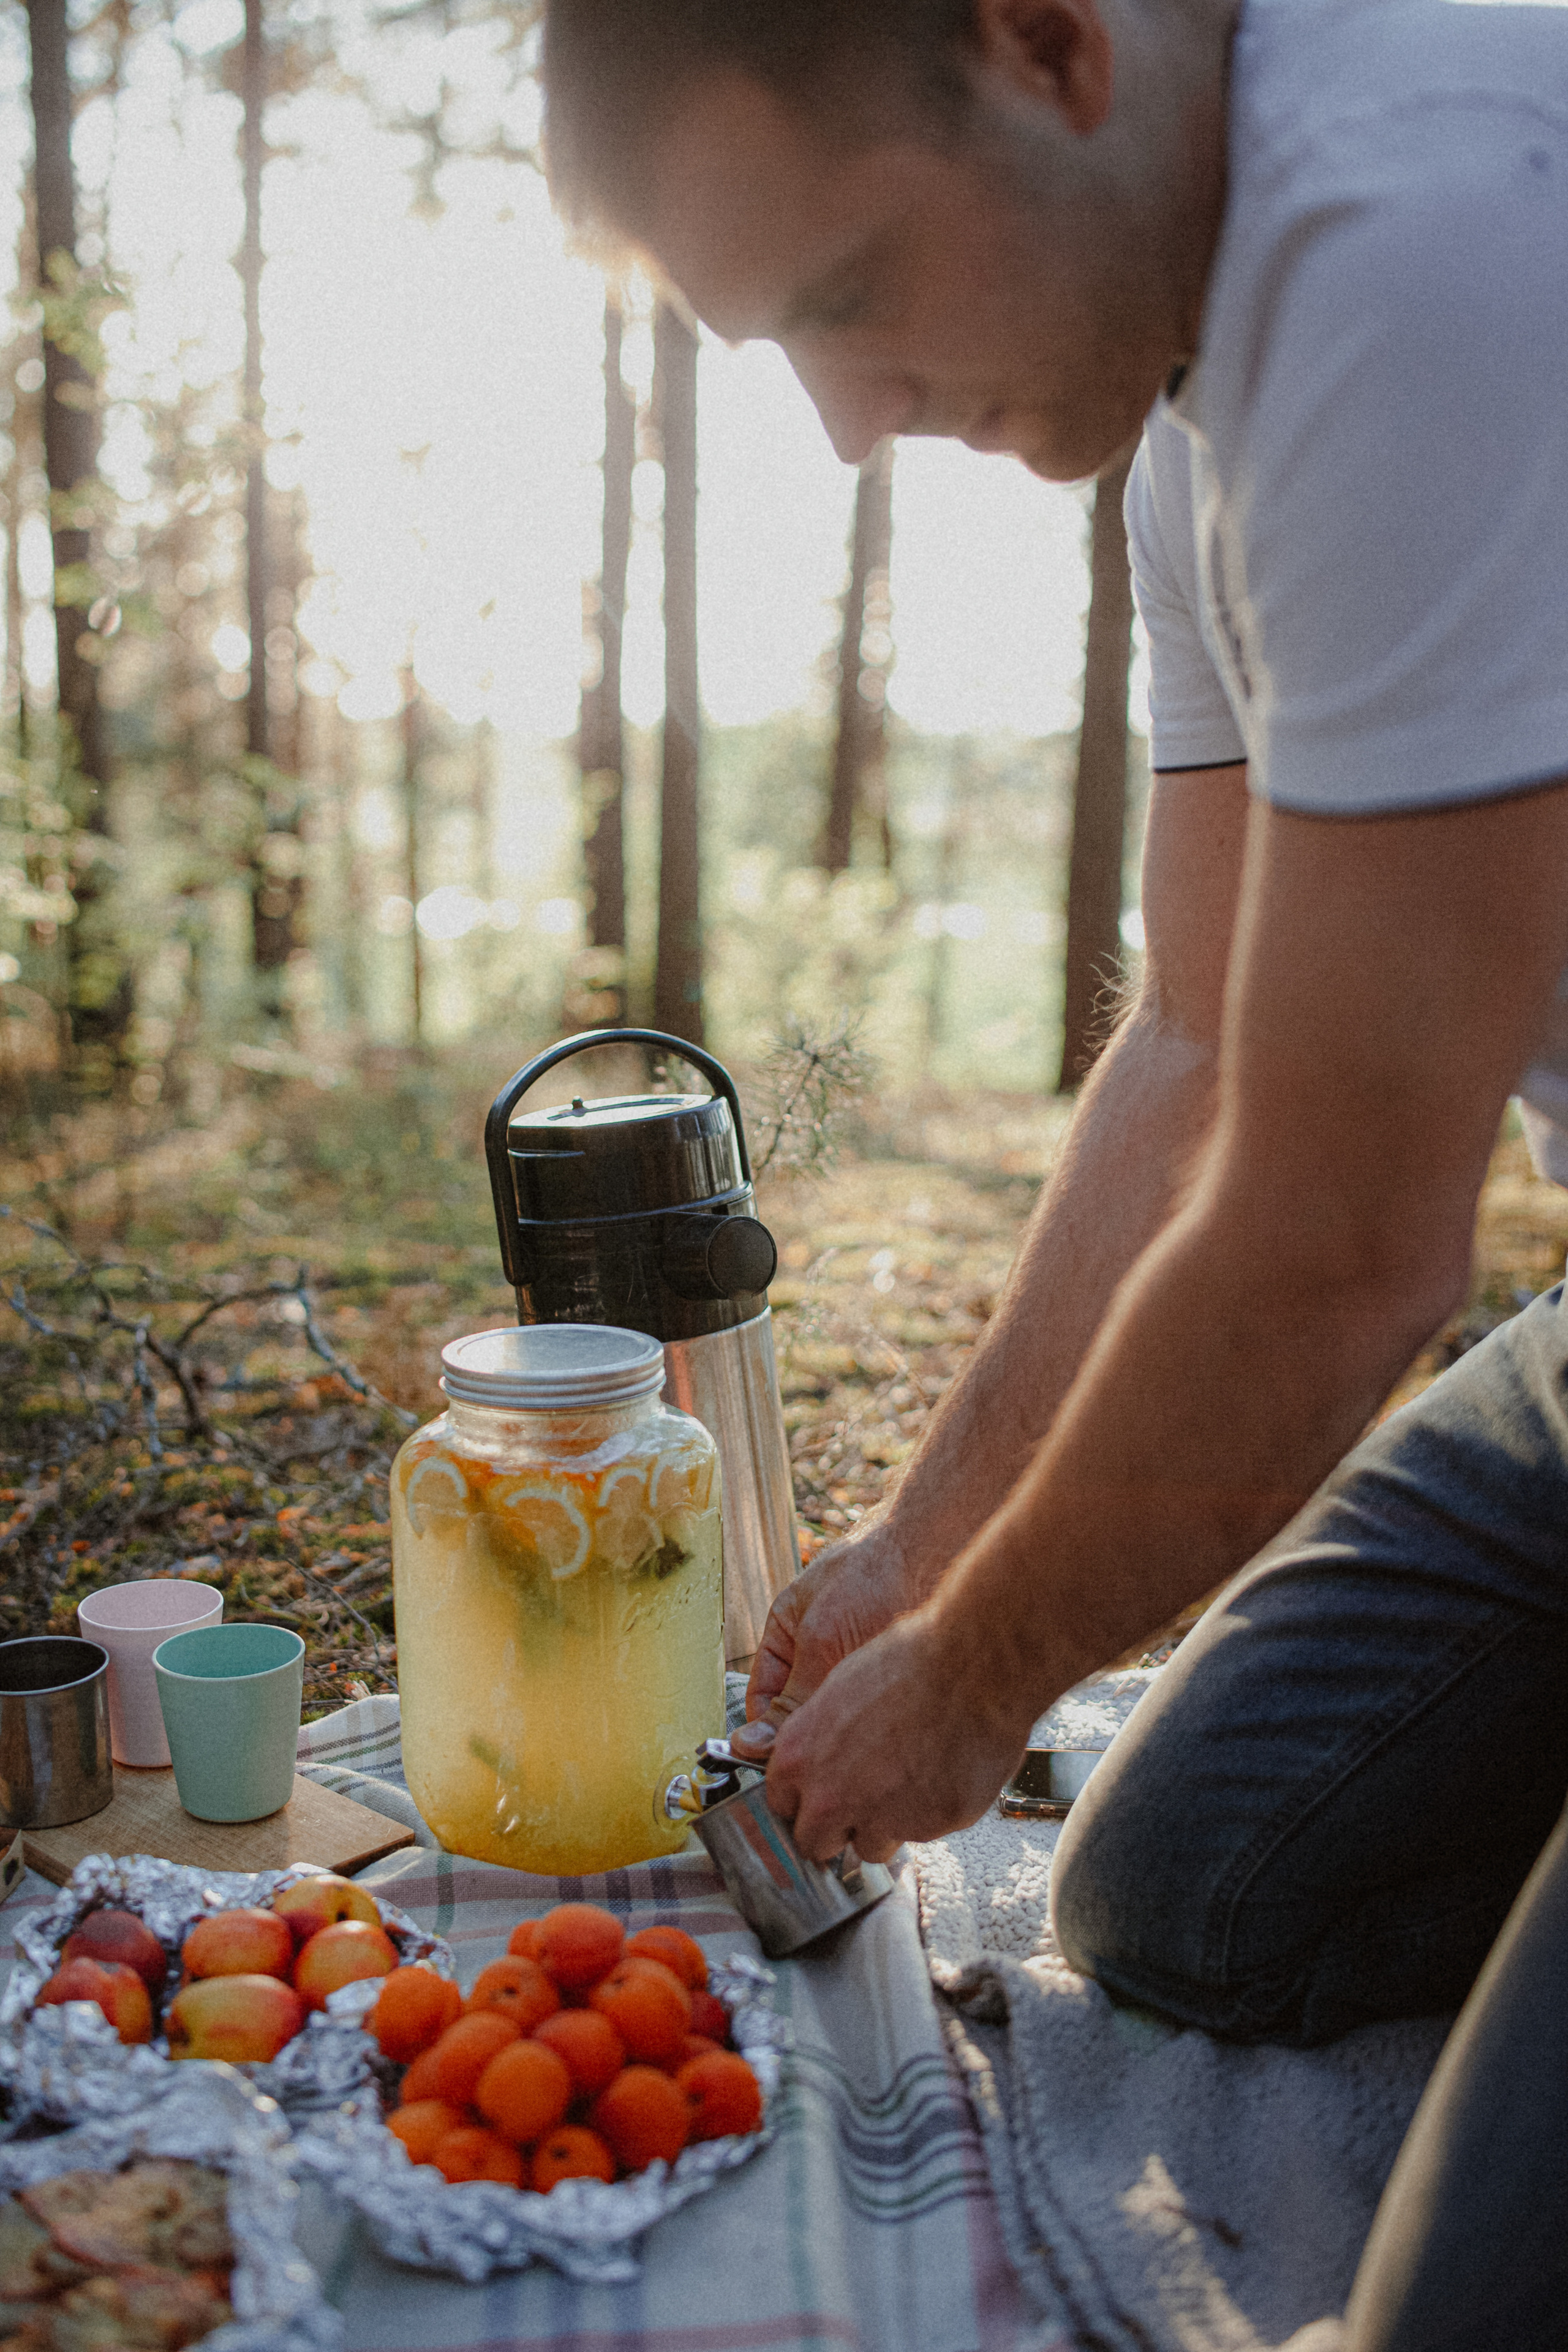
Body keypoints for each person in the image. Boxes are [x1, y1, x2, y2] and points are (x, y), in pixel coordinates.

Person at [539, 2, 1568, 2343]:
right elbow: (1202, 1046)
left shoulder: (1424, 229)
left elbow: (1336, 1255)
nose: (851, 425)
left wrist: (980, 1678)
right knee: (1186, 1910)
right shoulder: (1187, 417)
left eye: (845, 299)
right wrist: (928, 1555)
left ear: (1046, 42)